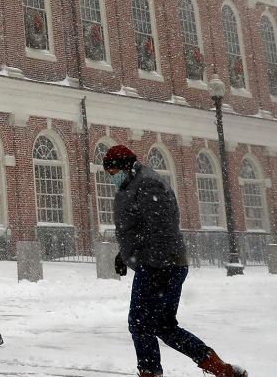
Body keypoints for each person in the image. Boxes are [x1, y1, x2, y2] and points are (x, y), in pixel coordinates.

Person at [104, 144, 248, 377]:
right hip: (160, 262)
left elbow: (161, 227)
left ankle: (150, 372)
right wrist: (124, 254)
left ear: (125, 166)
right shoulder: (129, 186)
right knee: (162, 325)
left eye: (113, 173)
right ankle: (220, 368)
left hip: (160, 264)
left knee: (140, 323)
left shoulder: (147, 184)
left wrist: (150, 263)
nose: (112, 178)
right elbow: (136, 227)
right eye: (109, 174)